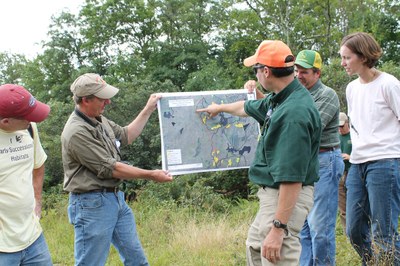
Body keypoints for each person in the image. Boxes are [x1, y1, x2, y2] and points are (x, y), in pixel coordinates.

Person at [197, 40, 322, 265]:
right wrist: (219, 108)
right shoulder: (281, 98)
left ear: (266, 71)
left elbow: (292, 178)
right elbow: (248, 108)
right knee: (256, 247)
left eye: (255, 69)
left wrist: (278, 229)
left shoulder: (294, 114)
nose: (255, 75)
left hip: (283, 195)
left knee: (277, 255)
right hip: (272, 194)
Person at [61, 73, 173, 266]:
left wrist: (148, 109)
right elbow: (112, 168)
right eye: (102, 98)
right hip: (91, 205)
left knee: (136, 260)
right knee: (91, 262)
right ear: (86, 100)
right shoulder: (76, 132)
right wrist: (151, 175)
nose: (108, 102)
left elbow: (126, 135)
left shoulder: (99, 119)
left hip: (115, 199)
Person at [340, 32, 400, 265]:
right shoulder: (351, 88)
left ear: (363, 57)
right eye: (342, 58)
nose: (343, 63)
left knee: (384, 232)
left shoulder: (389, 84)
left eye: (347, 58)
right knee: (353, 230)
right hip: (357, 163)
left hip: (386, 162)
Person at [294, 50, 344, 266]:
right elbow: (269, 106)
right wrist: (253, 90)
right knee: (303, 228)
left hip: (324, 161)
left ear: (317, 73)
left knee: (320, 229)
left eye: (304, 72)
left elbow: (309, 128)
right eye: (296, 71)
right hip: (304, 165)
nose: (298, 75)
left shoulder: (326, 95)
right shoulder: (296, 93)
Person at [0, 84, 52, 265]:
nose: (31, 120)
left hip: (34, 239)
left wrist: (37, 200)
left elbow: (38, 165)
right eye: (26, 117)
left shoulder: (29, 128)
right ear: (5, 121)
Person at [338, 112, 351, 230]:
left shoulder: (354, 136)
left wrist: (350, 157)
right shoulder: (336, 138)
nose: (340, 129)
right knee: (342, 207)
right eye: (338, 126)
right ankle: (347, 232)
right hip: (340, 173)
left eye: (342, 126)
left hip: (352, 172)